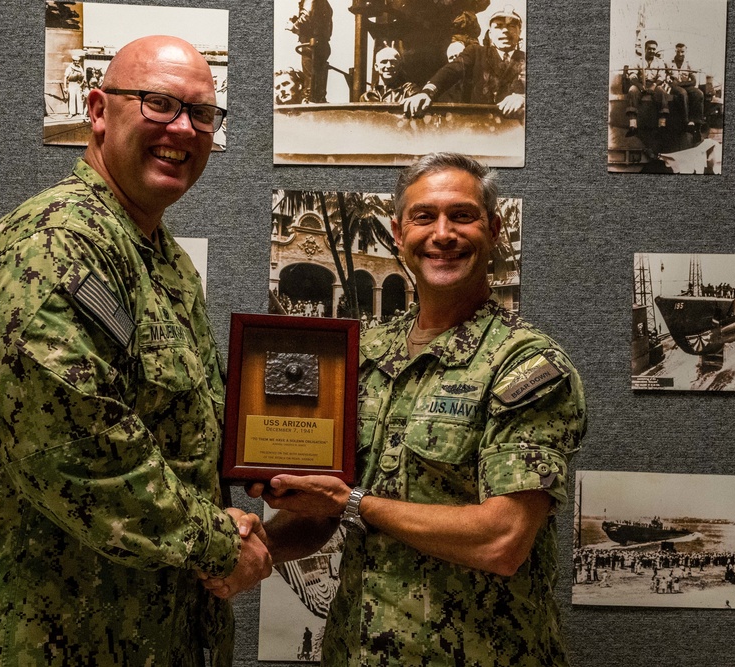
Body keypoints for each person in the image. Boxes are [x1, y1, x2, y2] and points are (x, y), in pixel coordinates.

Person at [0, 35, 272, 667]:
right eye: (160, 104)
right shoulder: (57, 244)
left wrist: (270, 469)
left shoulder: (161, 261)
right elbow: (74, 447)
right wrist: (219, 544)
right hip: (44, 634)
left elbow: (180, 433)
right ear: (98, 110)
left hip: (148, 632)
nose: (184, 129)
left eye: (203, 114)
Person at [240, 152, 587, 665]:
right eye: (424, 217)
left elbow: (502, 540)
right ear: (399, 234)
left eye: (462, 215)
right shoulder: (362, 356)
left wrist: (351, 503)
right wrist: (245, 545)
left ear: (494, 230)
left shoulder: (528, 366)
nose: (442, 233)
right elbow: (320, 518)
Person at [403, 7, 526, 118]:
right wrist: (427, 93)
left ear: (519, 32)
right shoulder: (475, 52)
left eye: (511, 26)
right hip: (477, 127)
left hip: (513, 133)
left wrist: (523, 97)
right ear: (490, 34)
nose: (505, 31)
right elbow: (451, 70)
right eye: (498, 26)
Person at [288, 0, 332, 103]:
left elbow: (306, 16)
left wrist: (293, 27)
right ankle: (319, 99)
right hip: (322, 43)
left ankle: (309, 100)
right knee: (318, 75)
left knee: (309, 76)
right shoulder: (325, 3)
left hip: (311, 45)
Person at [625, 39, 670, 137]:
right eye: (649, 49)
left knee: (663, 93)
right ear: (645, 49)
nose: (652, 51)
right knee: (632, 91)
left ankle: (662, 125)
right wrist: (640, 86)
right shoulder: (638, 61)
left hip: (654, 84)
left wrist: (654, 86)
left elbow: (662, 76)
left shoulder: (659, 62)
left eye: (654, 49)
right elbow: (632, 75)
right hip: (640, 83)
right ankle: (633, 126)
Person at [667, 42, 704, 138]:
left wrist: (680, 84)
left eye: (682, 52)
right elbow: (667, 78)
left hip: (684, 85)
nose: (680, 54)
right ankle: (686, 122)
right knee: (682, 94)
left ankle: (697, 123)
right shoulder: (668, 62)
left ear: (685, 51)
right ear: (675, 51)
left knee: (698, 93)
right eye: (678, 51)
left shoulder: (689, 63)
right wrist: (675, 84)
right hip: (673, 87)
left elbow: (694, 81)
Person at [64, 50, 86, 118]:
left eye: (78, 61)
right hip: (71, 84)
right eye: (75, 61)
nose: (77, 62)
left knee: (79, 98)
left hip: (78, 85)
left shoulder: (80, 68)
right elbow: (65, 77)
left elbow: (83, 76)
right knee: (72, 99)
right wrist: (65, 87)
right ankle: (71, 113)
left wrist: (82, 84)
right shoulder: (69, 68)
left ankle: (80, 112)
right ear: (73, 61)